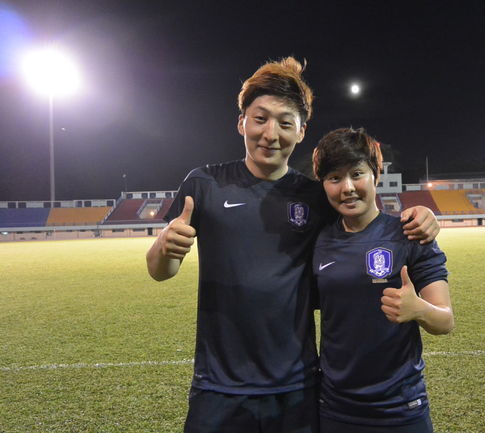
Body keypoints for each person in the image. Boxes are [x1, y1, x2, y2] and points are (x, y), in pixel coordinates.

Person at [146, 57, 440, 433]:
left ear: (301, 132)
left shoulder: (315, 198)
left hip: (297, 387)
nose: (271, 134)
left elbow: (365, 225)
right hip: (218, 386)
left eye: (285, 123)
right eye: (260, 119)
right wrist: (165, 247)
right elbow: (160, 271)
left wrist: (422, 217)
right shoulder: (204, 184)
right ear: (241, 122)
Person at [312, 127, 454, 433]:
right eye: (334, 178)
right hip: (335, 407)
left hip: (401, 408)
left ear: (376, 175)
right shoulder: (318, 240)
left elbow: (445, 321)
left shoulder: (410, 234)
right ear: (323, 184)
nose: (347, 188)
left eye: (357, 174)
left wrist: (419, 310)